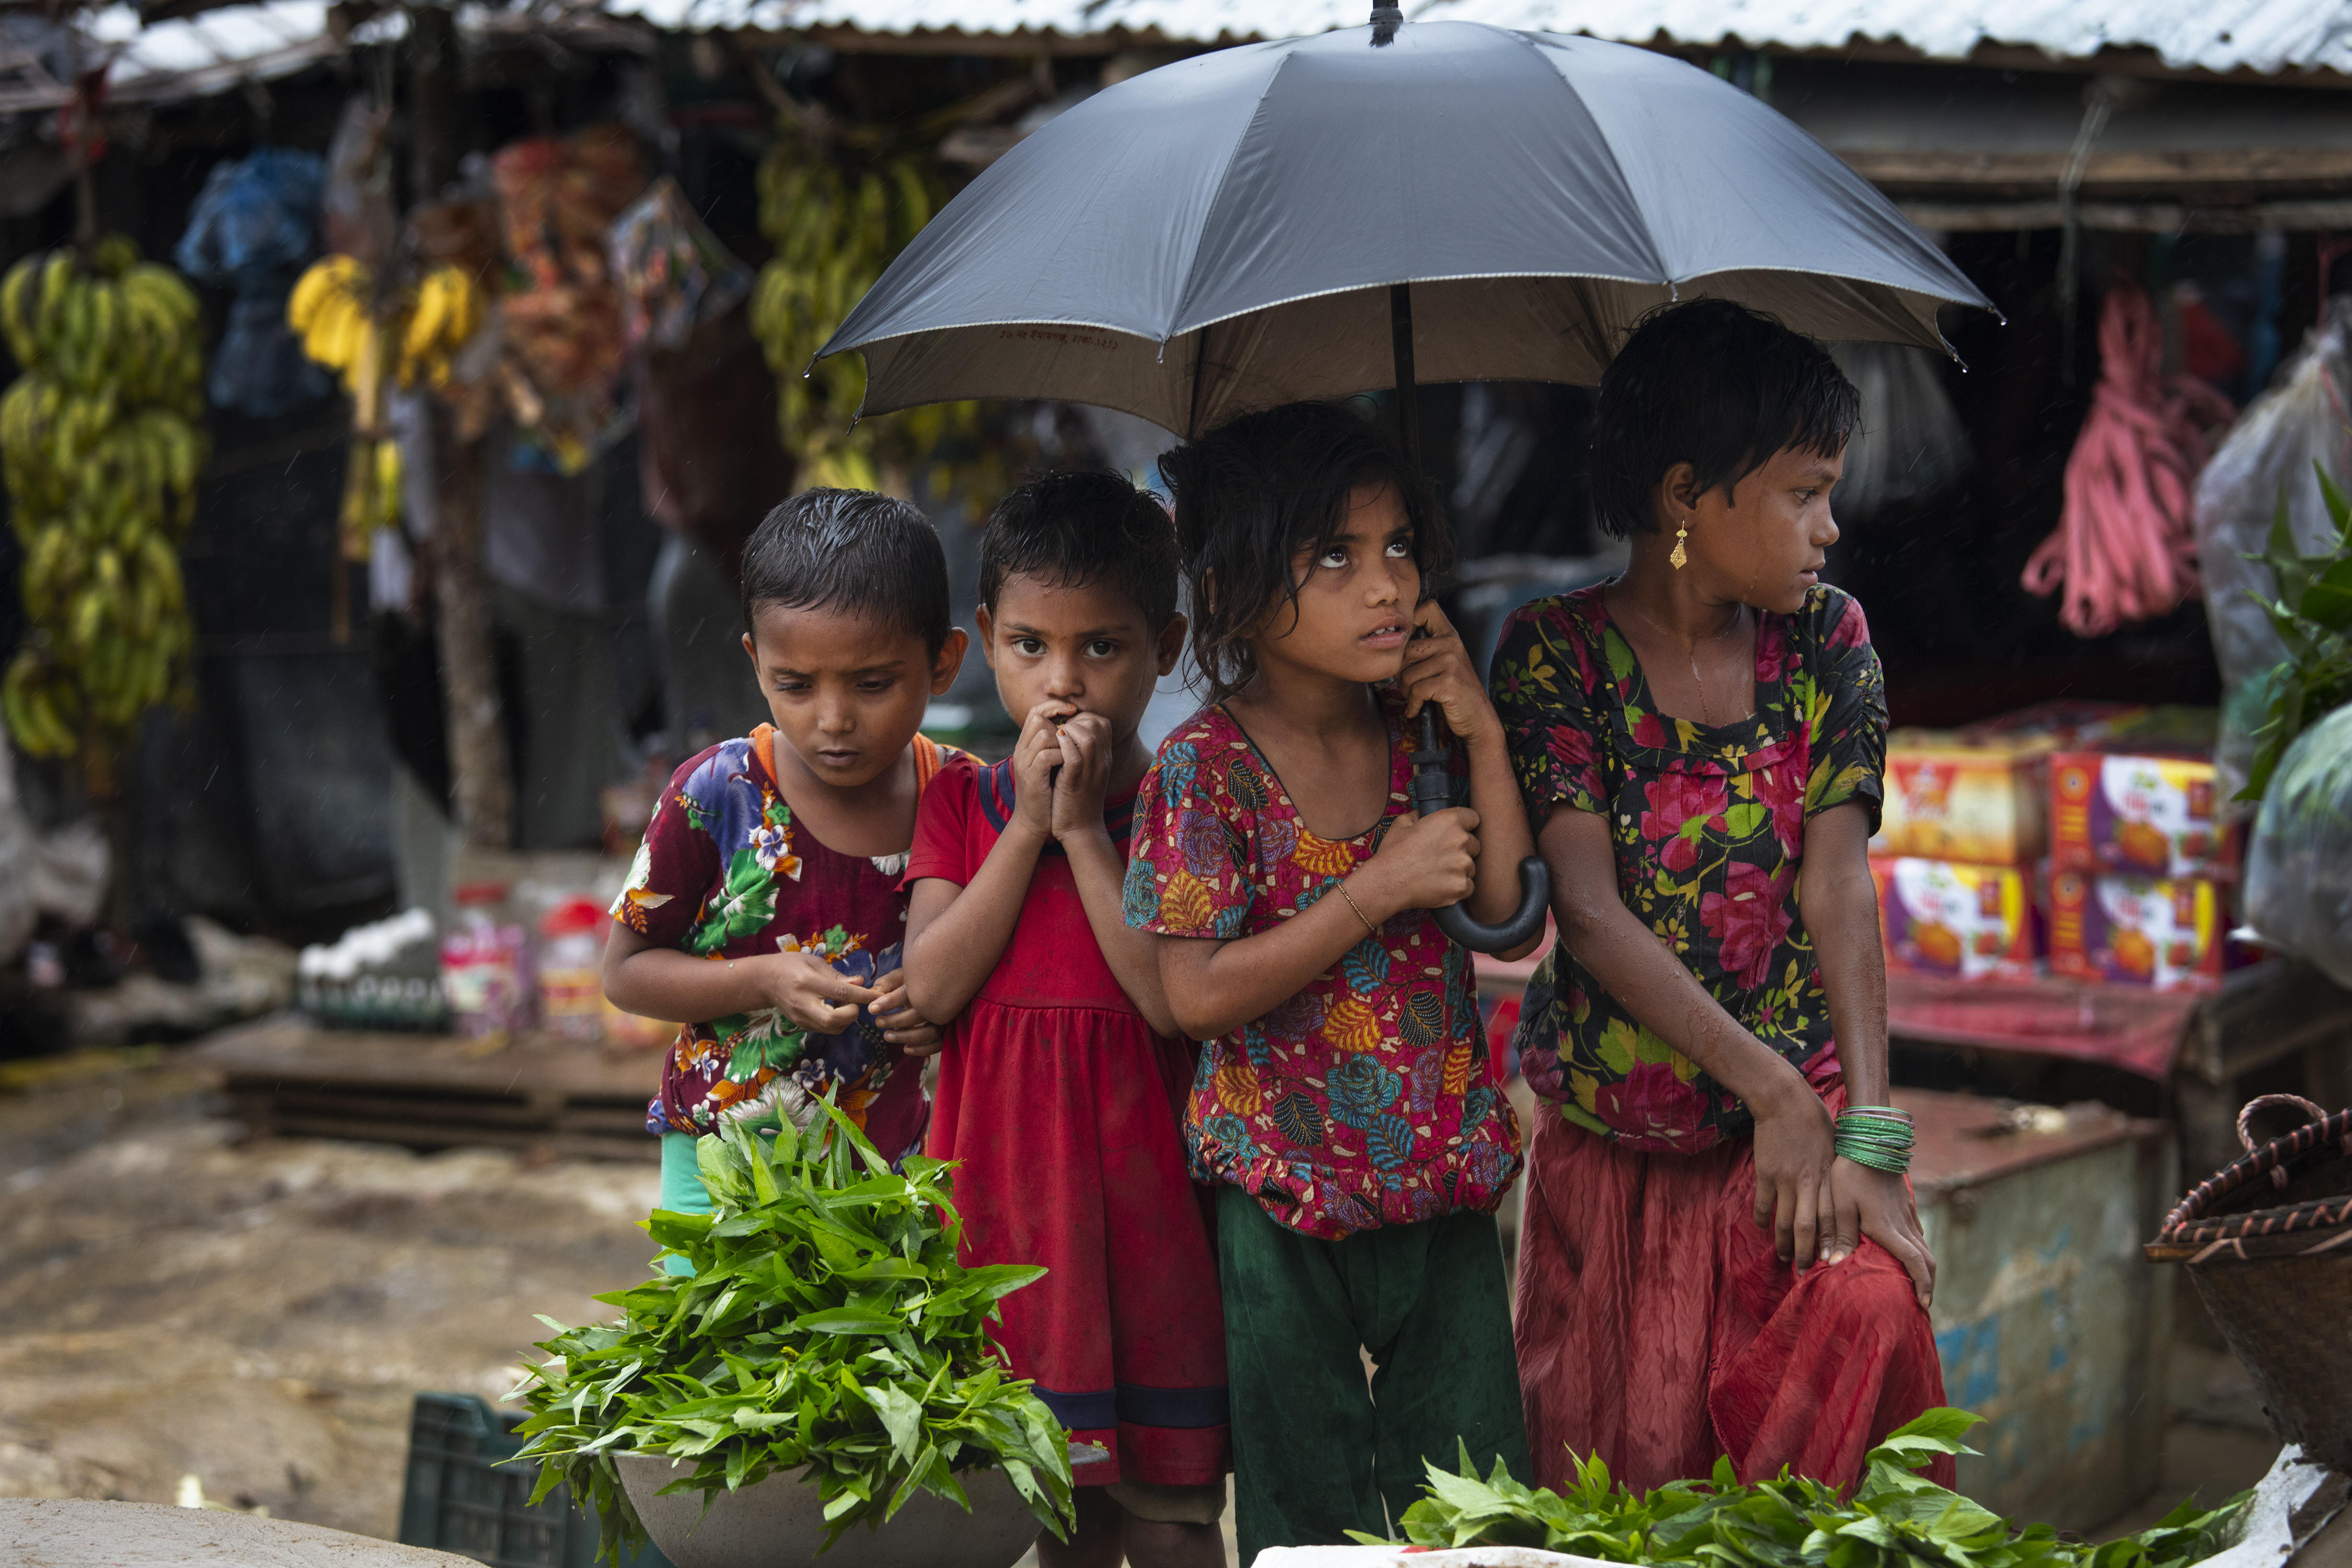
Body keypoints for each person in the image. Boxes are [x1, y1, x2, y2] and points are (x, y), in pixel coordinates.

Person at [1487, 299, 1950, 1494]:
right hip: (1620, 1156)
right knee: (1642, 1496)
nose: (1830, 528)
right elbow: (1584, 911)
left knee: (1872, 1316)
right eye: (1804, 493)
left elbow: (1839, 885)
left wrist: (1872, 1131)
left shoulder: (1828, 643)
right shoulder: (1554, 655)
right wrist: (1770, 1085)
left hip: (1797, 1143)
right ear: (1689, 495)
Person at [1123, 402, 1538, 1563]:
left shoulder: (1427, 738)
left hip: (1446, 1187)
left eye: (1401, 546)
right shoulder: (1204, 774)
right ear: (1239, 591)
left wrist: (1485, 738)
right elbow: (1195, 996)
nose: (1387, 587)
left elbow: (1504, 920)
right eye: (1337, 558)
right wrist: (1377, 886)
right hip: (1278, 1201)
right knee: (1309, 1522)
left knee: (1480, 1509)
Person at [904, 471, 1230, 1568]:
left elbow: (1164, 998)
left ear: (1167, 646)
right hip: (1007, 1221)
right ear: (987, 639)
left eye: (1103, 648)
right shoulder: (962, 801)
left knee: (1174, 1521)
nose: (1064, 682)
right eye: (1032, 646)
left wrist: (1086, 832)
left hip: (1151, 1221)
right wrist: (1028, 829)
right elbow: (934, 987)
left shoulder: (1187, 799)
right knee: (1059, 1520)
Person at [603, 488, 963, 1233]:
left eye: (872, 685)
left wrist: (940, 1009)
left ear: (944, 662)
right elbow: (626, 972)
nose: (832, 721)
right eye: (795, 686)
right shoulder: (714, 795)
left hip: (892, 1169)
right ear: (756, 663)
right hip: (722, 1164)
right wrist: (762, 977)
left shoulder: (961, 797)